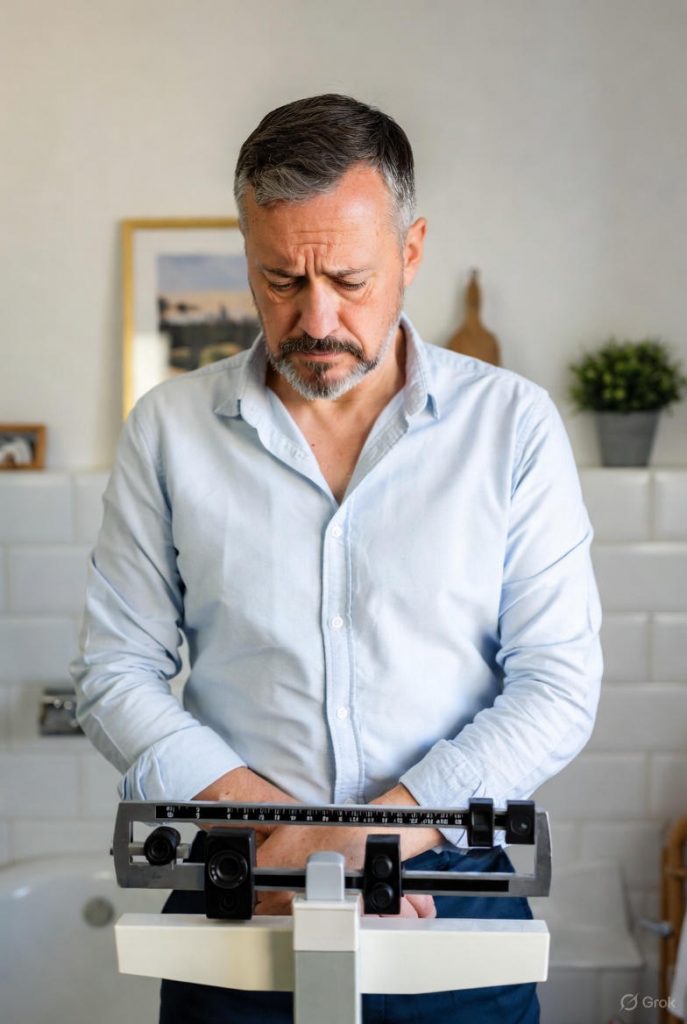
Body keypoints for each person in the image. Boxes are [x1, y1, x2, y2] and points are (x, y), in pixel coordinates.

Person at [71, 93, 602, 1023]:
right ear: (247, 252)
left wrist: (368, 838)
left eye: (350, 280)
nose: (315, 319)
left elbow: (556, 683)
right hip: (242, 878)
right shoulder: (168, 430)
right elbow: (115, 672)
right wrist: (276, 834)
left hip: (452, 888)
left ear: (410, 251)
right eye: (281, 280)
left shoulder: (512, 426)